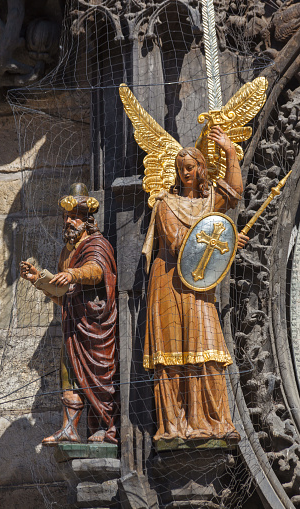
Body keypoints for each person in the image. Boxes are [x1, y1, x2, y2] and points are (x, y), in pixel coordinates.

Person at [142, 126, 249, 443]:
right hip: (169, 283)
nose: (184, 173)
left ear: (201, 168)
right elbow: (178, 245)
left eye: (190, 167)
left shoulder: (209, 201)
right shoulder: (165, 204)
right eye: (179, 168)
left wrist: (230, 152)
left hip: (199, 287)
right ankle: (174, 426)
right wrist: (226, 240)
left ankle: (214, 421)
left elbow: (234, 192)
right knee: (173, 354)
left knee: (207, 347)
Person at [20, 183, 118, 445]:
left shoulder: (97, 244)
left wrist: (73, 274)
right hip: (73, 323)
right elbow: (62, 293)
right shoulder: (67, 252)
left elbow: (96, 270)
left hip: (94, 325)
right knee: (70, 377)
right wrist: (38, 279)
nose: (69, 221)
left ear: (87, 220)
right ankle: (69, 429)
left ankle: (105, 427)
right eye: (66, 217)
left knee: (99, 376)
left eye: (74, 216)